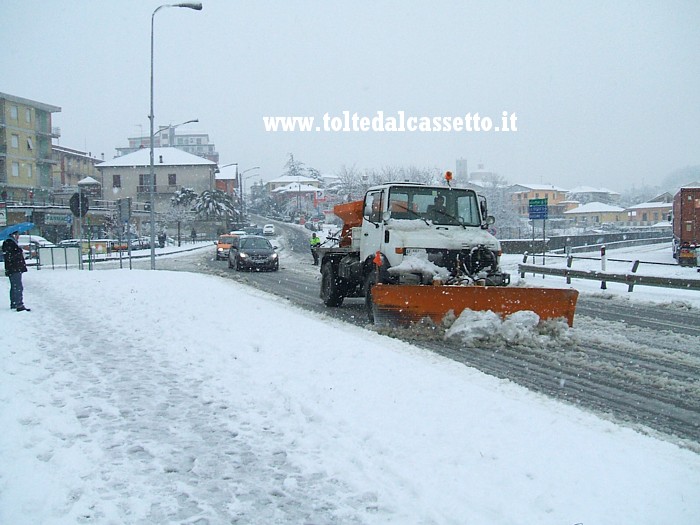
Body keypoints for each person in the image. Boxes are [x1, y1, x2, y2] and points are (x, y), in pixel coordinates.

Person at [2, 230, 30, 312]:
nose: (18, 236)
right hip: (14, 268)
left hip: (13, 268)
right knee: (17, 286)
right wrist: (20, 250)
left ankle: (14, 303)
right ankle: (19, 304)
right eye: (17, 235)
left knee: (15, 286)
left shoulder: (10, 242)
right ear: (13, 235)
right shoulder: (9, 243)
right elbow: (12, 256)